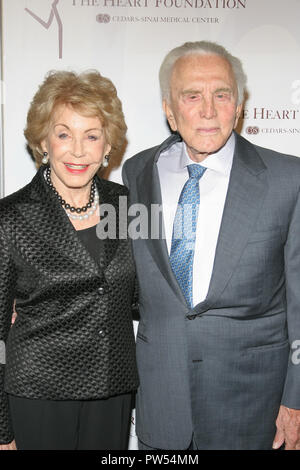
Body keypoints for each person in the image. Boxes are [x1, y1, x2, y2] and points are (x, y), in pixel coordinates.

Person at [122, 41, 300, 450]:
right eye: (192, 96)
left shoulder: (288, 179)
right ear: (169, 109)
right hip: (161, 404)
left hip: (256, 408)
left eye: (221, 95)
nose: (208, 110)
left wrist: (296, 400)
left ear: (238, 106)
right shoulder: (136, 173)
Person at [0, 70, 138, 450]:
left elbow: (148, 295)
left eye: (92, 136)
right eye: (64, 134)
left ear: (108, 145)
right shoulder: (10, 217)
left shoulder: (127, 204)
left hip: (113, 389)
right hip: (38, 393)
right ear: (43, 141)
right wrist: (0, 427)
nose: (78, 151)